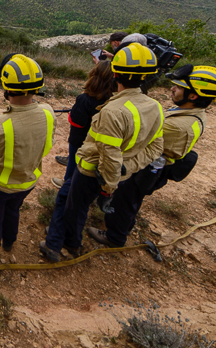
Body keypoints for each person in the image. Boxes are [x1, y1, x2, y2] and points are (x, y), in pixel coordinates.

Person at [40, 43, 164, 262]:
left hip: (93, 172)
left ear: (115, 73)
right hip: (117, 173)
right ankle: (60, 243)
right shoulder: (155, 107)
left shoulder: (113, 111)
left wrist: (109, 185)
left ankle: (67, 245)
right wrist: (127, 169)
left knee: (73, 207)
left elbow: (110, 153)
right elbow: (155, 148)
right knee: (66, 198)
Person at [87, 64, 216, 247]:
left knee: (126, 198)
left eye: (179, 87)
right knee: (131, 199)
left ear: (193, 96)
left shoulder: (178, 126)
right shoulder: (195, 114)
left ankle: (115, 237)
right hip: (158, 164)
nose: (172, 88)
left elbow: (143, 141)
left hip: (148, 167)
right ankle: (123, 225)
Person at [0, 54, 55, 264]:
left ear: (6, 88)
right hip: (27, 181)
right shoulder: (48, 113)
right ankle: (9, 241)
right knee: (13, 210)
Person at [52, 61, 114, 187]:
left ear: (94, 75)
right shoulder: (113, 100)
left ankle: (67, 183)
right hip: (99, 140)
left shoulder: (85, 99)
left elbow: (77, 123)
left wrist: (71, 114)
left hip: (79, 139)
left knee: (74, 161)